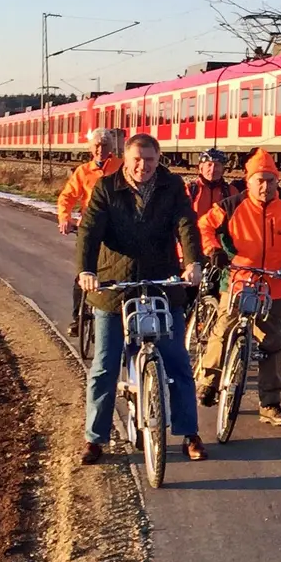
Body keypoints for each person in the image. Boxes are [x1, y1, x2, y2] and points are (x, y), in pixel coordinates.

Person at [75, 133, 208, 464]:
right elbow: (89, 231)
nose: (143, 166)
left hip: (161, 282)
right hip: (114, 285)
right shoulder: (107, 187)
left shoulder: (172, 186)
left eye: (149, 160)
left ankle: (189, 433)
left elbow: (186, 224)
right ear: (126, 158)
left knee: (177, 360)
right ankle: (95, 438)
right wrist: (86, 270)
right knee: (105, 365)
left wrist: (193, 262)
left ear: (158, 159)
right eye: (137, 159)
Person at [194, 150, 281, 426]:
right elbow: (204, 226)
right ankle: (209, 381)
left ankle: (270, 403)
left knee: (272, 343)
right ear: (248, 181)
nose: (265, 187)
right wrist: (214, 250)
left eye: (270, 181)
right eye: (259, 181)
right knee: (224, 329)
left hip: (274, 282)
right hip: (239, 279)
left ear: (277, 181)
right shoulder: (232, 205)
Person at [58, 128, 121, 336]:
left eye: (105, 145)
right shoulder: (83, 171)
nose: (100, 150)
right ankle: (78, 317)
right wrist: (65, 218)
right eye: (97, 146)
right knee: (83, 271)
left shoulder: (121, 167)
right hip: (90, 226)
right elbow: (67, 196)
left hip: (117, 227)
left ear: (111, 147)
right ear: (90, 148)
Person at [184, 148, 236, 218]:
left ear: (223, 170)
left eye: (217, 165)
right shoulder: (189, 190)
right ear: (201, 168)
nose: (213, 169)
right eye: (209, 165)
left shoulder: (231, 192)